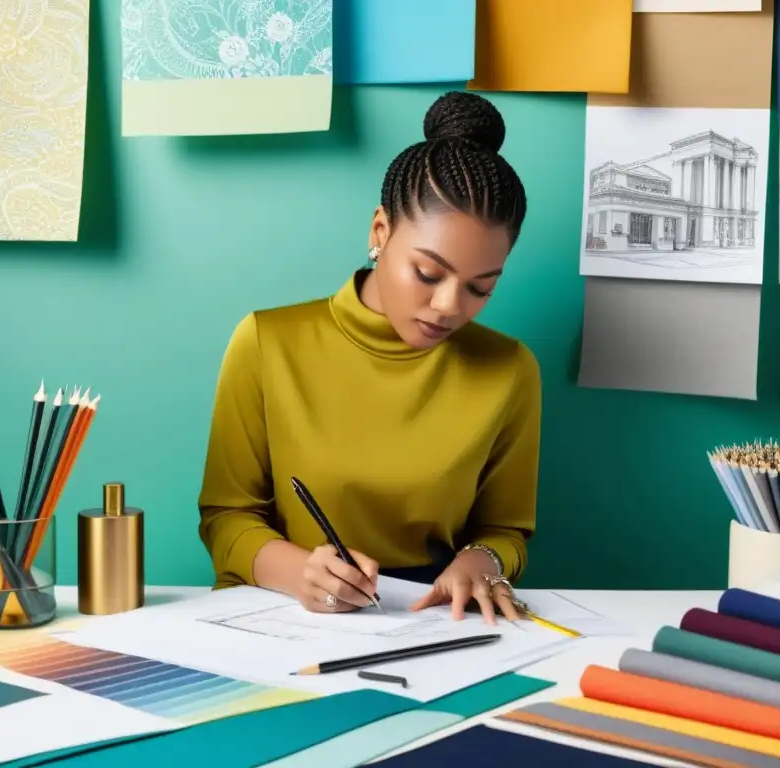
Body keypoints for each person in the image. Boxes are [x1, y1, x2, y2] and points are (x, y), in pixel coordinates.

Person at [197, 91, 541, 625]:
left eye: (481, 288)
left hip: (434, 621)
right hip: (284, 613)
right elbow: (226, 518)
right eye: (428, 274)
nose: (449, 307)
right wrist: (301, 573)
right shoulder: (268, 341)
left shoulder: (510, 368)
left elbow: (506, 530)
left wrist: (482, 559)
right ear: (380, 231)